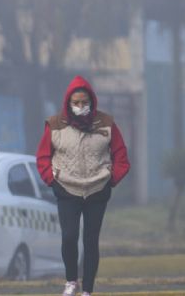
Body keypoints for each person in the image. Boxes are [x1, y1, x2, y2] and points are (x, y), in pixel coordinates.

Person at [36, 76, 130, 296]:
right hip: (67, 189)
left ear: (91, 101)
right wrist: (52, 180)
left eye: (84, 102)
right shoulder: (55, 125)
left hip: (97, 190)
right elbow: (42, 157)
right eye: (76, 102)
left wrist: (111, 179)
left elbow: (121, 156)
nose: (80, 106)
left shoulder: (106, 124)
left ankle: (87, 289)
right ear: (68, 102)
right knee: (69, 236)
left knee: (91, 240)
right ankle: (71, 281)